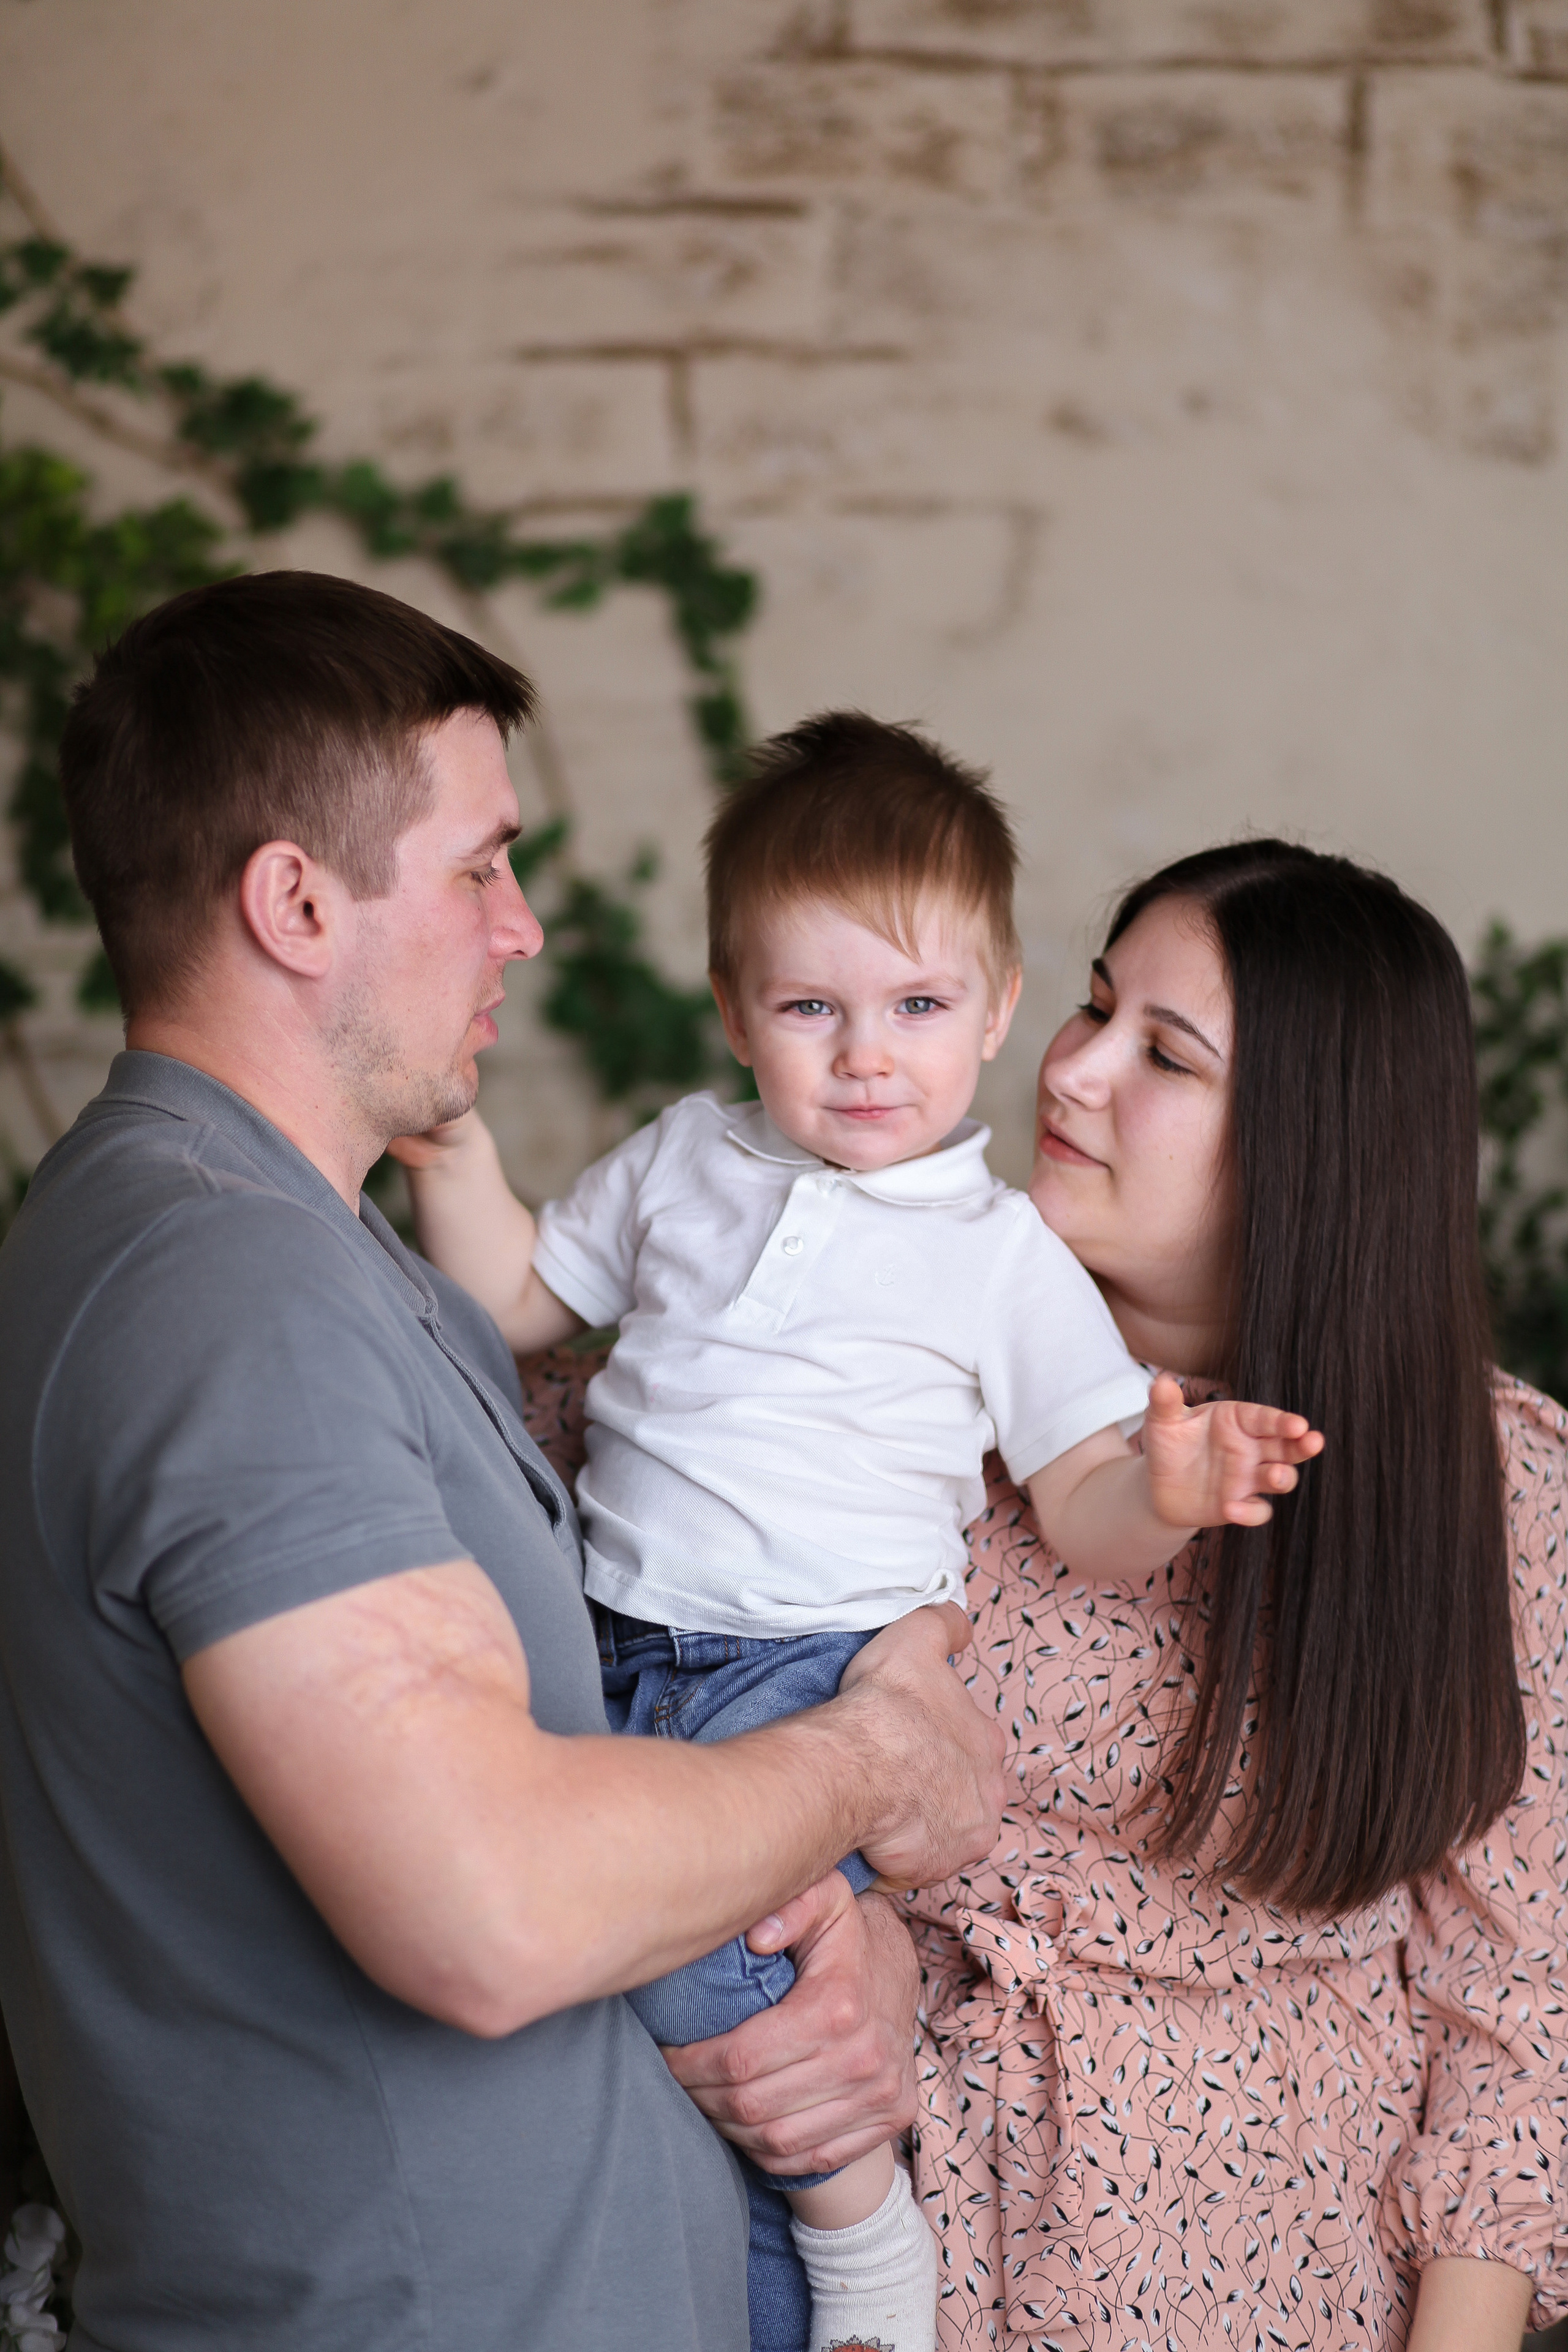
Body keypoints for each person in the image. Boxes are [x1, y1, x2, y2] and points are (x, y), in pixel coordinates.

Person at [0, 572, 1011, 2352]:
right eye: (481, 867)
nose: (525, 928)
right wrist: (870, 1757)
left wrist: (812, 1928)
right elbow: (488, 1904)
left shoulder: (304, 1249)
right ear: (297, 904)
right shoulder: (221, 1287)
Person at [395, 718, 1323, 2352]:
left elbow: (1084, 1498)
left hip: (808, 1677)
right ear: (737, 1013)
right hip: (601, 1634)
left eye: (917, 1008)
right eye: (811, 1009)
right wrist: (456, 1154)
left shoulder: (997, 1254)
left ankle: (867, 2240)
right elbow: (521, 1302)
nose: (865, 1057)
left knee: (698, 1981)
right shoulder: (688, 1157)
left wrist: (1168, 1486)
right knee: (555, 1984)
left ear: (996, 1009)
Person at [900, 841, 1568, 2351]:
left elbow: (1517, 2015)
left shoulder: (1490, 1484)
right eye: (1088, 1008)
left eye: (1162, 1054)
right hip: (883, 2241)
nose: (1066, 1073)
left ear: (1312, 1143)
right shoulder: (910, 1377)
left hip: (1269, 2281)